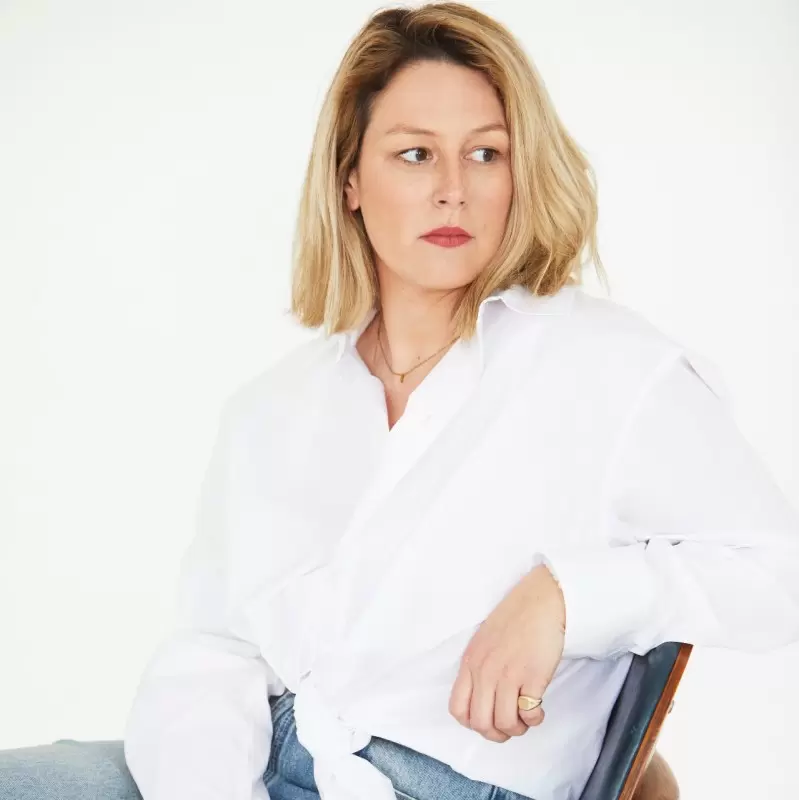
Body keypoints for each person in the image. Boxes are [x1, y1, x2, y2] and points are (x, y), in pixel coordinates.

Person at [1, 3, 796, 800]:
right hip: (241, 765)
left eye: (485, 154)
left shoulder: (610, 368)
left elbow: (771, 570)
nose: (452, 190)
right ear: (349, 179)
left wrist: (565, 594)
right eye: (414, 155)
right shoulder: (274, 408)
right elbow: (216, 650)